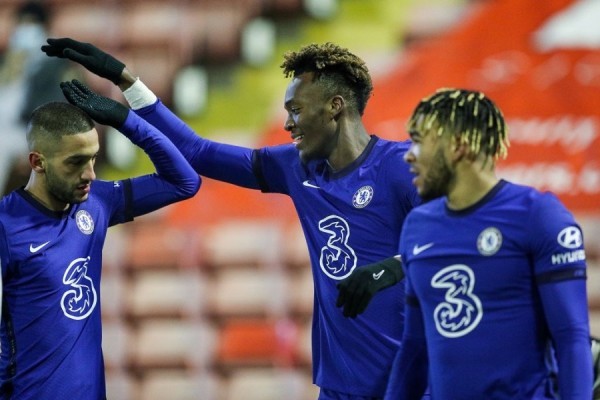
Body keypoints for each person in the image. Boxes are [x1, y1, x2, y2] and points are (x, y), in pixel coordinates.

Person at [42, 38, 421, 399]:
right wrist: (127, 83)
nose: (288, 124)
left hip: (409, 383)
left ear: (335, 106)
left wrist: (388, 269)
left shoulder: (400, 167)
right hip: (340, 386)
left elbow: (453, 239)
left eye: (297, 109)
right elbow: (198, 152)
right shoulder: (295, 167)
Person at [383, 88, 592, 399]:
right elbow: (415, 347)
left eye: (419, 141)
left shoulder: (538, 215)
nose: (409, 155)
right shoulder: (417, 227)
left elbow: (571, 337)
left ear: (458, 145)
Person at [0, 81, 201, 399]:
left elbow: (184, 181)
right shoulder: (6, 226)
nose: (90, 174)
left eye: (93, 159)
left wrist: (126, 120)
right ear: (37, 162)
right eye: (75, 162)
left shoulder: (97, 202)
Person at [0, 1, 81, 195]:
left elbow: (58, 109)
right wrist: (13, 68)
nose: (25, 30)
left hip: (30, 130)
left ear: (44, 28)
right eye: (22, 24)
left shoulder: (56, 64)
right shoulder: (7, 59)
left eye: (31, 24)